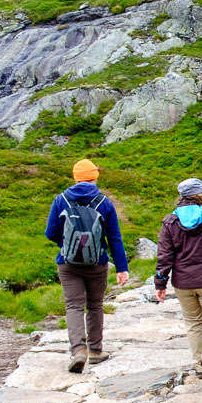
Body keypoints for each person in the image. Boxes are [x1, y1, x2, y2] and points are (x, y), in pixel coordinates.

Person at [45, 159, 129, 373]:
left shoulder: (61, 200)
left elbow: (51, 232)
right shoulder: (104, 202)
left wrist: (66, 244)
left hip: (67, 262)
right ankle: (95, 351)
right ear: (94, 176)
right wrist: (121, 267)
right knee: (95, 305)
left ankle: (78, 351)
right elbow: (114, 237)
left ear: (75, 177)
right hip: (97, 263)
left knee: (73, 306)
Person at [155, 179, 202, 388]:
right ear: (200, 196)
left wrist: (160, 284)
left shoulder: (170, 222)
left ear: (182, 197)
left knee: (193, 324)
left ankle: (200, 365)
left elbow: (164, 256)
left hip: (183, 283)